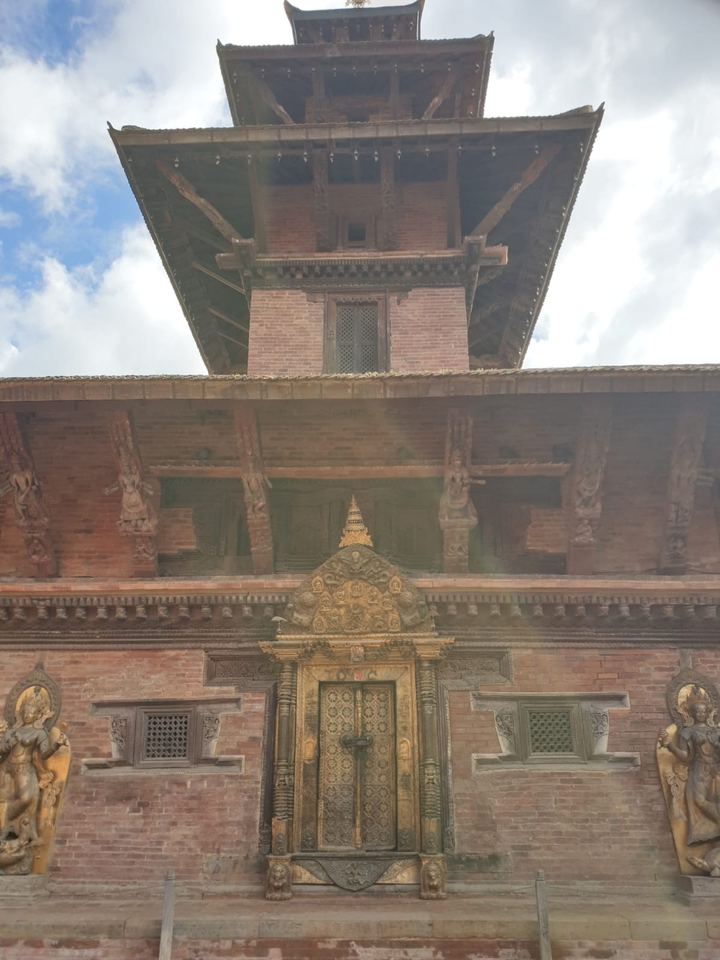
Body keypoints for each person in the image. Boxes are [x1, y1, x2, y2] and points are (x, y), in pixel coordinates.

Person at [0, 693, 68, 846]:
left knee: (27, 798)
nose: (27, 715)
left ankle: (9, 820)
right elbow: (1, 749)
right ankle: (3, 828)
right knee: (3, 798)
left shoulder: (39, 732)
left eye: (31, 713)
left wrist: (56, 745)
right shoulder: (11, 731)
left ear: (38, 715)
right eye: (25, 712)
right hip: (7, 768)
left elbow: (44, 754)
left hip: (24, 766)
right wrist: (7, 744)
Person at [659, 691, 720, 845]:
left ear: (708, 712)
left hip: (717, 768)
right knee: (699, 800)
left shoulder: (716, 730)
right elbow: (685, 756)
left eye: (703, 711)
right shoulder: (688, 731)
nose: (701, 714)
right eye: (697, 711)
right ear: (691, 713)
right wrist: (669, 745)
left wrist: (717, 743)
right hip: (699, 768)